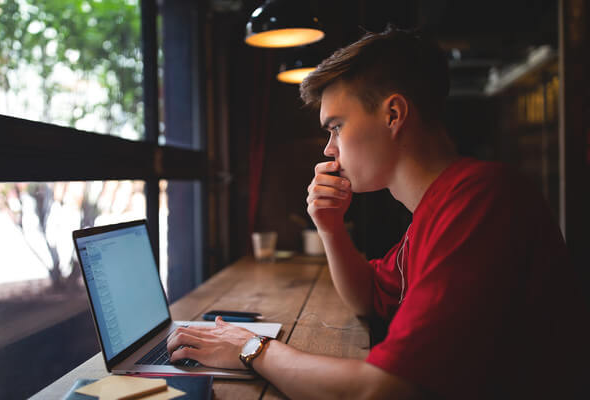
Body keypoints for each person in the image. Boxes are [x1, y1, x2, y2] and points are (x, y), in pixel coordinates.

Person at [167, 27, 588, 399]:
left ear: (393, 114)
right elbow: (369, 298)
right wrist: (330, 227)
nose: (329, 149)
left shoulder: (481, 199)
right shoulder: (438, 207)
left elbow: (384, 390)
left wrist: (250, 348)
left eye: (336, 127)